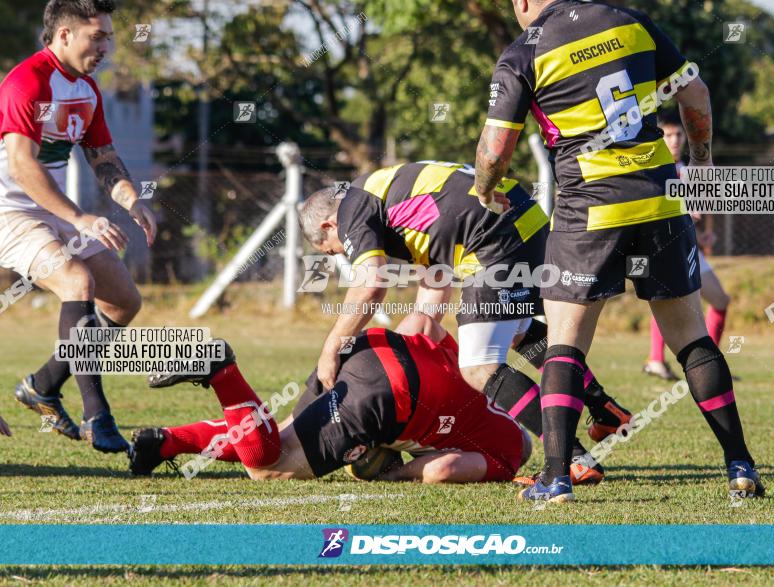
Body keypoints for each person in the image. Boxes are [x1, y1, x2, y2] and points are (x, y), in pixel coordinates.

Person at [474, 0, 763, 502]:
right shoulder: (628, 21)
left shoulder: (523, 53)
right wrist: (702, 161)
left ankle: (557, 477)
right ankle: (740, 466)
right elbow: (695, 92)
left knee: (564, 343)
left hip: (591, 209)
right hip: (659, 200)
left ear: (521, 2)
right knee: (692, 339)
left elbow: (495, 151)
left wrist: (484, 188)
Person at [299, 160, 633, 485]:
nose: (342, 255)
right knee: (518, 330)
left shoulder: (353, 208)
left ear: (330, 225)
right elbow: (435, 280)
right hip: (526, 222)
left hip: (493, 239)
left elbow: (370, 283)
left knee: (478, 365)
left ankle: (571, 457)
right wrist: (409, 352)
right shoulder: (388, 194)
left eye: (333, 251)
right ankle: (604, 408)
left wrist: (332, 347)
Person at [1, 0, 156, 453]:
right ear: (64, 35)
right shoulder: (25, 81)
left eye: (108, 35)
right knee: (77, 280)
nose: (106, 45)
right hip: (9, 211)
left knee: (124, 302)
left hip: (49, 209)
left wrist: (131, 200)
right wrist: (79, 217)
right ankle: (97, 415)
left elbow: (103, 157)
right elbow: (22, 166)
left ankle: (43, 385)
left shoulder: (87, 89)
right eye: (98, 36)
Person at [129, 313, 530, 484]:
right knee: (268, 467)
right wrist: (397, 473)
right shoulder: (509, 456)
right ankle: (223, 373)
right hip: (386, 398)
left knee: (281, 433)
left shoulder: (486, 375)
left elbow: (421, 323)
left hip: (369, 347)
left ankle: (166, 442)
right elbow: (445, 469)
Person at [644, 112, 730, 381]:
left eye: (679, 134)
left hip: (689, 248)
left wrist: (702, 235)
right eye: (668, 134)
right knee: (666, 302)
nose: (675, 139)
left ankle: (710, 362)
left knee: (720, 300)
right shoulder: (654, 170)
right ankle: (657, 360)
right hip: (666, 248)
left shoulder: (690, 170)